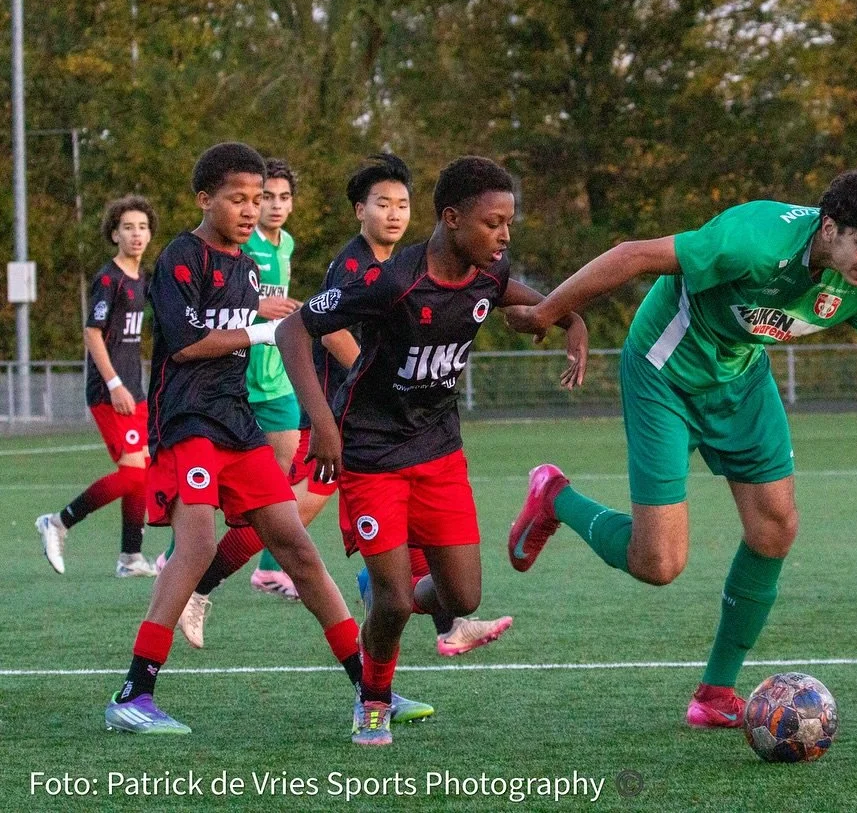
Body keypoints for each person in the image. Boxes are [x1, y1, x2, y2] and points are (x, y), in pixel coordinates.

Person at [503, 168, 857, 728]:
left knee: (776, 526)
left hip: (741, 379)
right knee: (659, 564)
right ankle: (555, 497)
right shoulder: (754, 237)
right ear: (830, 228)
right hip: (664, 373)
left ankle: (715, 692)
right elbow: (631, 255)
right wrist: (546, 311)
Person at [103, 142, 430, 735]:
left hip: (237, 423)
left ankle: (370, 689)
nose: (251, 209)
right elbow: (184, 344)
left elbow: (281, 338)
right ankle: (134, 693)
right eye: (239, 199)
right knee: (198, 546)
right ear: (205, 199)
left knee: (299, 550)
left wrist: (325, 411)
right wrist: (261, 329)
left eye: (259, 199)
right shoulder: (181, 256)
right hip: (188, 421)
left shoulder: (251, 268)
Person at [277, 155, 579, 745]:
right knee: (392, 599)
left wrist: (569, 322)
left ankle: (395, 592)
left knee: (463, 595)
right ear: (451, 219)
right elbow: (294, 331)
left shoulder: (489, 273)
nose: (505, 235)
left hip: (440, 453)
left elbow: (524, 301)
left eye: (508, 222)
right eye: (494, 223)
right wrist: (323, 424)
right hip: (371, 454)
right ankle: (373, 698)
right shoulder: (392, 281)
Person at [174, 154, 512, 658]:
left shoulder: (403, 263)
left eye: (402, 204)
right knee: (291, 513)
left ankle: (445, 619)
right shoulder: (355, 264)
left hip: (380, 424)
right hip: (339, 413)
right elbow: (322, 329)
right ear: (360, 210)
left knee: (390, 519)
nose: (394, 214)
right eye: (383, 204)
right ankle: (201, 585)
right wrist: (379, 386)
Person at [154, 159, 305, 599]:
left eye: (276, 198)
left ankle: (266, 567)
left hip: (268, 378)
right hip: (220, 386)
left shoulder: (284, 246)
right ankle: (181, 563)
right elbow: (217, 311)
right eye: (256, 198)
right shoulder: (232, 246)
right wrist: (261, 321)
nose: (265, 207)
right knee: (204, 510)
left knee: (282, 482)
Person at [37, 196, 159, 578]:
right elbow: (92, 332)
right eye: (127, 227)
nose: (136, 234)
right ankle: (57, 522)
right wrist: (114, 383)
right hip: (110, 392)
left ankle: (130, 557)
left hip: (134, 391)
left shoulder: (145, 279)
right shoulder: (110, 278)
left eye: (142, 227)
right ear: (114, 234)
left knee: (142, 470)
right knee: (132, 474)